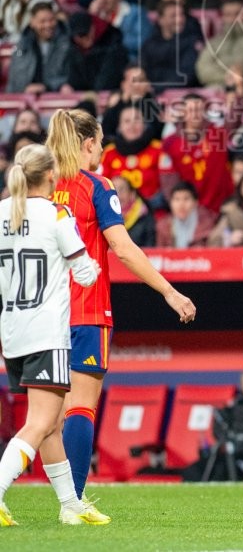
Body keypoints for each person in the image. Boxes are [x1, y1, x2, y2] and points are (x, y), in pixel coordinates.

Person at [46, 109, 197, 517]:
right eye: (100, 142)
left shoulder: (38, 185)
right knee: (80, 406)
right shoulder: (96, 185)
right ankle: (73, 503)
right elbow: (124, 249)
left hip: (41, 315)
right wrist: (169, 292)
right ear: (90, 144)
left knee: (44, 417)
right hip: (86, 309)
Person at [0, 145, 107, 527]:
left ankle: (70, 504)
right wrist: (92, 264)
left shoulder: (1, 212)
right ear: (50, 176)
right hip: (47, 331)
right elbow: (84, 273)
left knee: (47, 423)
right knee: (42, 422)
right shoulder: (56, 213)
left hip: (12, 332)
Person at [162, 94, 234, 214]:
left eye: (199, 110)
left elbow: (234, 121)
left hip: (224, 206)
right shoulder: (170, 143)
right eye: (191, 110)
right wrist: (179, 207)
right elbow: (168, 179)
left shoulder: (218, 134)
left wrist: (238, 93)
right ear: (183, 113)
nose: (195, 114)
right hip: (191, 211)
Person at [6, 3, 70, 95]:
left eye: (51, 20)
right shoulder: (22, 46)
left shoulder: (67, 43)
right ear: (32, 22)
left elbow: (70, 77)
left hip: (57, 97)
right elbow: (15, 80)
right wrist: (25, 89)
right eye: (42, 21)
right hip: (27, 99)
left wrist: (46, 87)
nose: (48, 25)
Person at [140, 1, 201, 90]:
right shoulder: (149, 44)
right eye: (173, 16)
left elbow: (186, 76)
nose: (179, 20)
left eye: (182, 15)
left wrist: (155, 88)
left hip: (181, 95)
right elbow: (142, 69)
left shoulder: (192, 42)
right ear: (161, 20)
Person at [87, 0, 151, 61]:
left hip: (130, 61)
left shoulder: (135, 13)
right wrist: (91, 17)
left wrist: (116, 42)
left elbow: (144, 42)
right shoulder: (96, 16)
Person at [65, 11, 129, 93]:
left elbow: (106, 82)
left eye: (86, 33)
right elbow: (75, 81)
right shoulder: (74, 51)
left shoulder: (113, 47)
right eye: (81, 35)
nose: (85, 38)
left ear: (93, 27)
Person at [155, 182, 216, 248]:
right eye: (177, 199)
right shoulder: (163, 227)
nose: (181, 204)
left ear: (195, 202)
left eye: (186, 199)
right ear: (170, 203)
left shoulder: (208, 224)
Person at [111, 176, 156, 247]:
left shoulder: (145, 217)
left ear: (132, 194)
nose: (117, 195)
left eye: (121, 189)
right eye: (113, 190)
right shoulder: (102, 218)